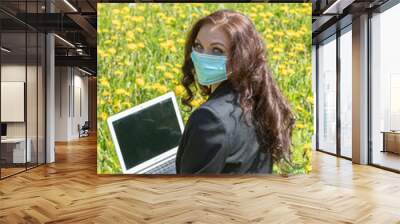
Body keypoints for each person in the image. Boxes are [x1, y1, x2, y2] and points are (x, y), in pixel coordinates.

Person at [175, 9, 295, 174]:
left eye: (217, 50)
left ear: (240, 57)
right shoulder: (258, 101)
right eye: (198, 46)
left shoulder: (210, 119)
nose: (202, 56)